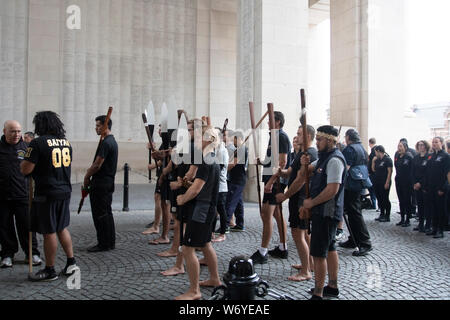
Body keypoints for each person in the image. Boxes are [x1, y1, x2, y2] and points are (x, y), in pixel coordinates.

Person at [20, 111, 77, 281]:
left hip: (47, 193)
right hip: (64, 191)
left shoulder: (37, 143)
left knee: (49, 230)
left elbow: (25, 169)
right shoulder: (66, 143)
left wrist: (27, 156)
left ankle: (50, 269)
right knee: (61, 227)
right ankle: (71, 262)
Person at [298, 126, 347, 300]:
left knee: (318, 253)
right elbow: (306, 171)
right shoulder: (323, 158)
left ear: (330, 140)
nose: (316, 142)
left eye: (320, 140)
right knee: (331, 248)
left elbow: (332, 189)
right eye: (316, 139)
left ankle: (318, 292)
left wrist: (311, 202)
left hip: (326, 213)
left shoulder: (334, 160)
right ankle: (332, 286)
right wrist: (304, 163)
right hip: (324, 212)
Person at [175, 124, 221, 300]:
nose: (198, 139)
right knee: (206, 244)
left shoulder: (206, 161)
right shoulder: (210, 159)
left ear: (209, 140)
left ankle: (194, 291)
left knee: (187, 248)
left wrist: (182, 198)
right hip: (208, 209)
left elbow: (196, 189)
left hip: (202, 210)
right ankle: (215, 279)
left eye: (202, 137)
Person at [275, 125, 317, 282]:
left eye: (299, 134)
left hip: (300, 198)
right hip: (296, 198)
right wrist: (280, 171)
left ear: (308, 136)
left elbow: (300, 181)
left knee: (298, 234)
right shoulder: (300, 153)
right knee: (304, 234)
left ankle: (306, 271)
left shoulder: (310, 154)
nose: (297, 136)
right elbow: (290, 172)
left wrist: (284, 196)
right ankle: (309, 264)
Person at [251, 111, 291, 264]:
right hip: (271, 179)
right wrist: (262, 162)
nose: (267, 122)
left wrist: (271, 182)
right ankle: (283, 247)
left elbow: (282, 163)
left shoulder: (281, 136)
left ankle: (262, 252)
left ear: (278, 122)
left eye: (270, 120)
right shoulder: (273, 136)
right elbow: (273, 160)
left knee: (266, 214)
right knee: (276, 214)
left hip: (275, 182)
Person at [0, 121, 41, 268]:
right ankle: (7, 254)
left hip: (23, 195)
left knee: (27, 226)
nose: (16, 134)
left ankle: (32, 253)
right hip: (3, 196)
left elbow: (33, 168)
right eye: (12, 131)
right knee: (4, 227)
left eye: (18, 131)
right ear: (4, 131)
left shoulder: (26, 148)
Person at [83, 115, 118, 252]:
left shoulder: (107, 143)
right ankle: (109, 241)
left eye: (98, 125)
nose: (96, 128)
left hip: (101, 183)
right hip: (107, 182)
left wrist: (87, 175)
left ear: (105, 126)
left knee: (100, 214)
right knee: (106, 213)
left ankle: (104, 243)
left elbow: (97, 164)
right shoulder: (110, 141)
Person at [339, 129, 373, 256]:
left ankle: (365, 242)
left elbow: (345, 168)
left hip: (351, 183)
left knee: (354, 212)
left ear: (348, 137)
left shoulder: (349, 149)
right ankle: (353, 239)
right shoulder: (362, 148)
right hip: (360, 181)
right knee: (354, 212)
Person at [424, 137, 449, 238]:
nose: (434, 144)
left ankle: (440, 229)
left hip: (440, 187)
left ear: (441, 143)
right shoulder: (431, 156)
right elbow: (428, 172)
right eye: (433, 142)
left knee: (440, 209)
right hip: (431, 187)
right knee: (433, 208)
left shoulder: (445, 156)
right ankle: (434, 228)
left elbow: (447, 173)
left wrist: (443, 188)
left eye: (436, 142)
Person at [225, 131, 248, 233]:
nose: (232, 141)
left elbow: (233, 164)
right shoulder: (240, 149)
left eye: (233, 139)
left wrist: (222, 169)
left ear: (237, 138)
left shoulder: (241, 149)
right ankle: (240, 224)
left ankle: (224, 226)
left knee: (230, 203)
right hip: (238, 179)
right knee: (238, 203)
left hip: (237, 180)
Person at [211, 128, 229, 242]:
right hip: (214, 186)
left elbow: (219, 169)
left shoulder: (222, 150)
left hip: (221, 186)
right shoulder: (216, 148)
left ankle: (222, 233)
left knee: (221, 210)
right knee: (213, 210)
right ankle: (211, 231)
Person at [412, 140, 431, 232]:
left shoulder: (429, 157)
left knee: (427, 205)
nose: (420, 146)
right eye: (419, 145)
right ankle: (420, 223)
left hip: (425, 185)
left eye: (422, 145)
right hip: (416, 184)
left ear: (426, 146)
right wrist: (415, 183)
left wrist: (421, 183)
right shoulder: (415, 158)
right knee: (419, 205)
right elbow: (413, 171)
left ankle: (428, 224)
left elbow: (428, 173)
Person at [394, 140, 414, 227]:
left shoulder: (409, 156)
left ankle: (407, 219)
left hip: (407, 182)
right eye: (398, 146)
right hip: (399, 181)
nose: (399, 148)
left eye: (401, 146)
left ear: (405, 147)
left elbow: (412, 169)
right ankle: (402, 218)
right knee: (401, 200)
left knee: (407, 200)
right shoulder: (398, 156)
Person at [371, 145, 393, 223]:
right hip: (377, 182)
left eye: (375, 152)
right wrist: (373, 162)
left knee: (385, 198)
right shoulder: (377, 160)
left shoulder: (387, 159)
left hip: (384, 182)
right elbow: (373, 170)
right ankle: (382, 213)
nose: (375, 154)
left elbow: (390, 172)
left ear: (379, 151)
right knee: (379, 198)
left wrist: (387, 182)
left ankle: (387, 215)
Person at [368, 138, 378, 211]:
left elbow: (372, 161)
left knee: (372, 189)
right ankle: (374, 204)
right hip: (374, 173)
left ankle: (374, 204)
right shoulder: (375, 150)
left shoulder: (373, 150)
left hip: (372, 173)